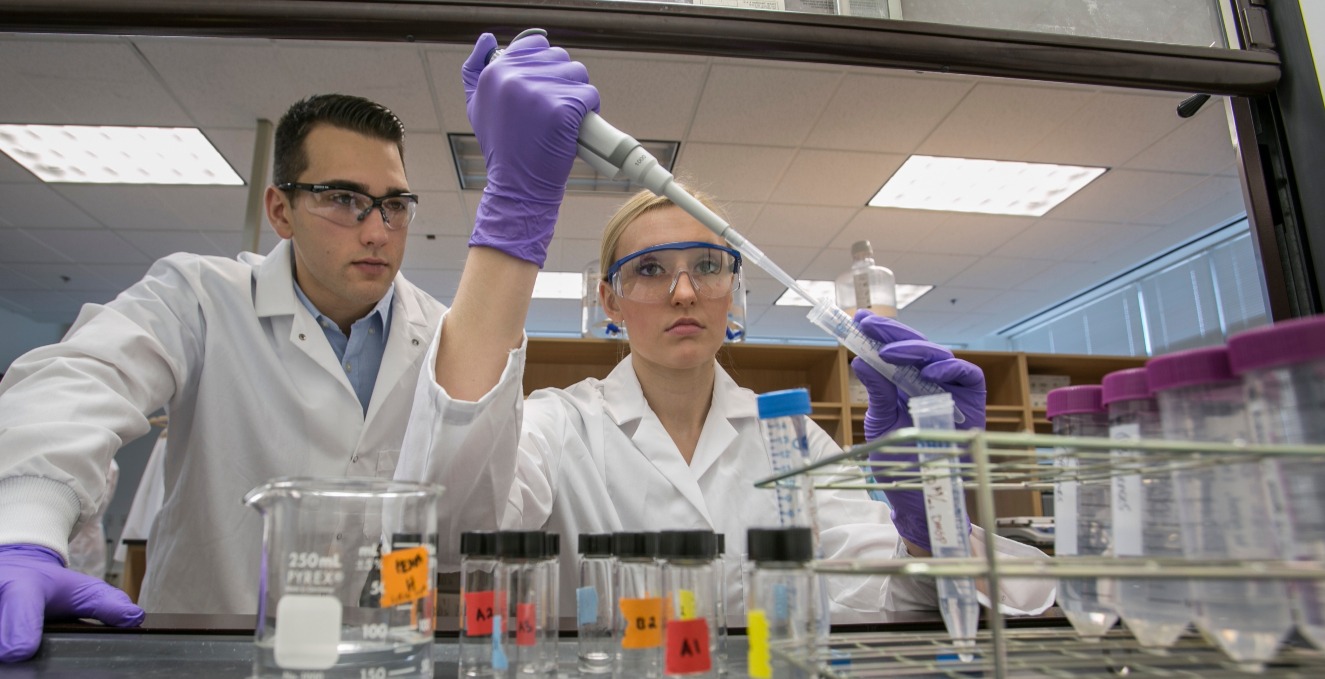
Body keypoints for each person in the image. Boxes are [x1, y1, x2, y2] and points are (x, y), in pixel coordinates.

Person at [0, 29, 598, 662]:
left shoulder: (446, 335)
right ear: (280, 210)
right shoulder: (200, 298)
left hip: (378, 657)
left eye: (394, 204)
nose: (377, 229)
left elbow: (467, 526)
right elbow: (80, 379)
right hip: (212, 651)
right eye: (344, 200)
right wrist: (25, 529)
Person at [397, 180, 1056, 620]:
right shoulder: (556, 422)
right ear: (609, 302)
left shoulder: (794, 438)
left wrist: (930, 523)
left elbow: (888, 595)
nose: (684, 292)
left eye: (706, 267)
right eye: (650, 270)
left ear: (733, 290)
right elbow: (449, 535)